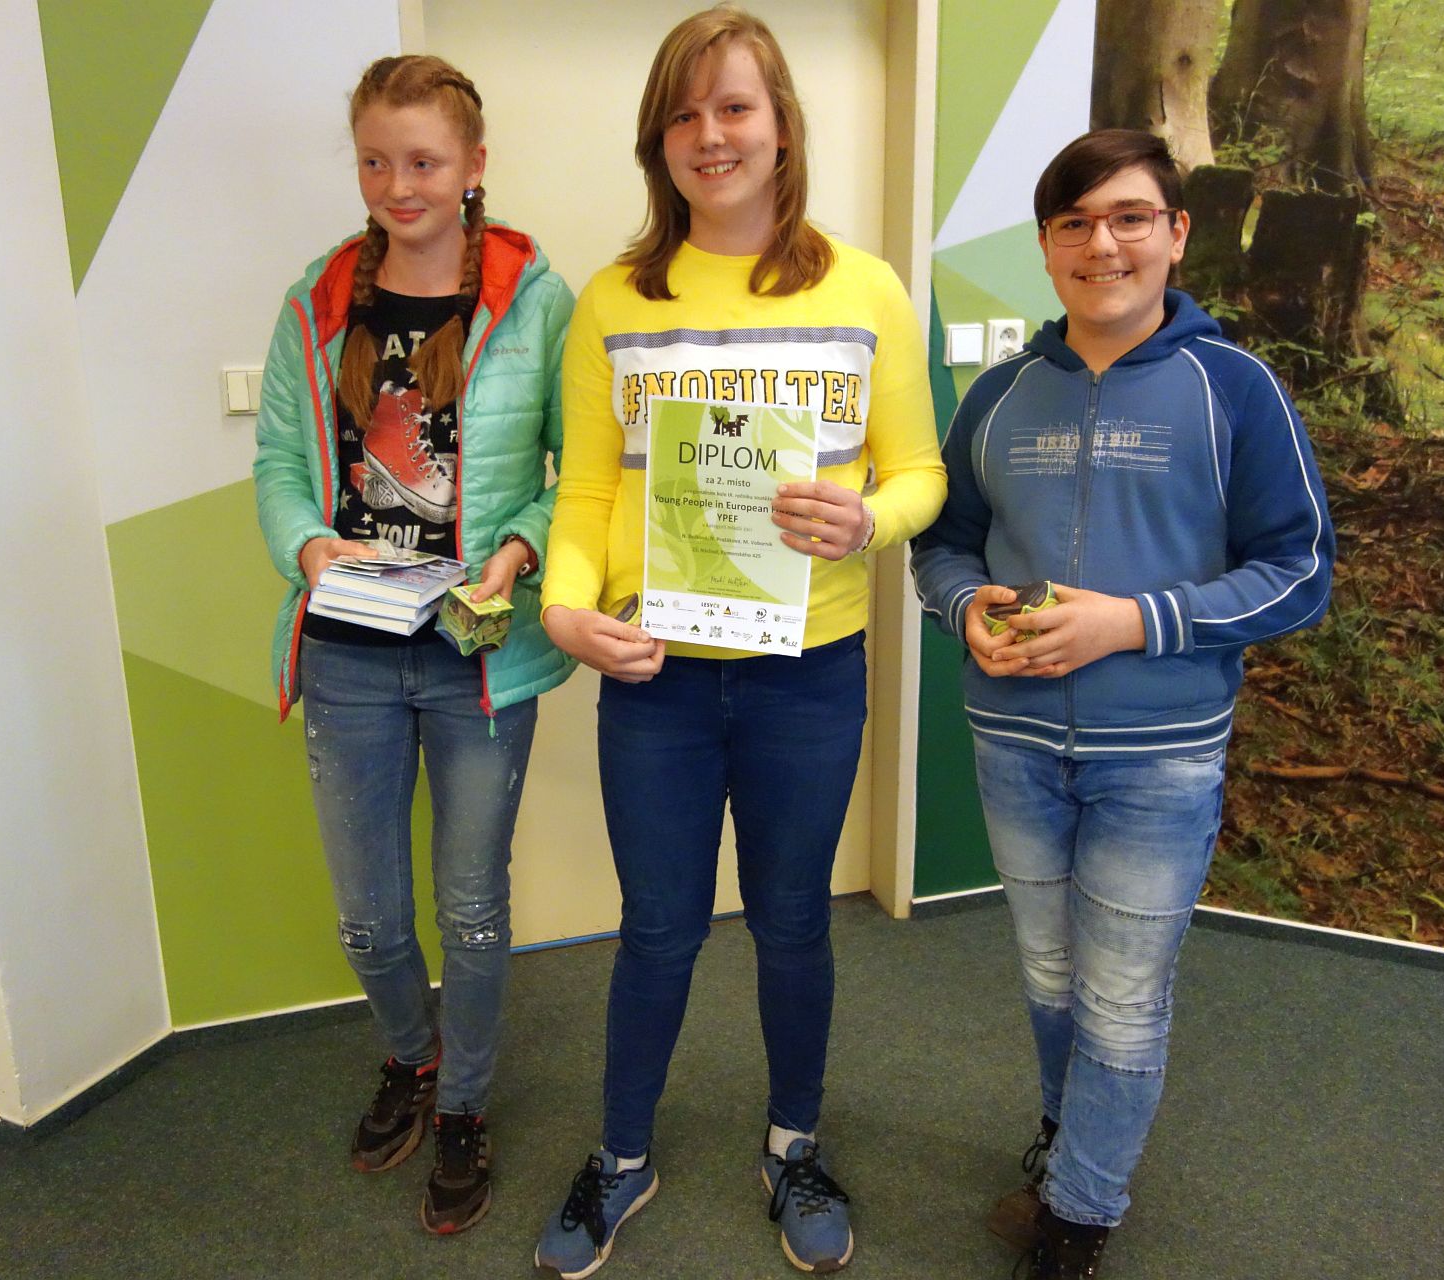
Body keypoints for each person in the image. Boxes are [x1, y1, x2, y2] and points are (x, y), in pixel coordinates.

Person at [530, 7, 946, 1276]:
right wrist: (564, 607)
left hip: (807, 677)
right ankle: (621, 1156)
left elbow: (920, 473)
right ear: (657, 140)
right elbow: (584, 493)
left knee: (792, 922)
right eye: (684, 112)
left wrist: (866, 518)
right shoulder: (615, 299)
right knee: (657, 927)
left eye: (734, 106)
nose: (709, 134)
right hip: (655, 677)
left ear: (781, 127)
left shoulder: (864, 288)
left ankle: (792, 1143)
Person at [910, 129, 1334, 1279]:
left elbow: (1298, 570)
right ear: (1047, 246)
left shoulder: (1233, 388)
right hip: (1013, 745)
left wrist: (1132, 621)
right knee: (1051, 976)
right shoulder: (999, 394)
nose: (1104, 244)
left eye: (1131, 217)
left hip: (1160, 757)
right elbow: (940, 547)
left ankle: (1081, 1213)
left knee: (1121, 992)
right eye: (1076, 223)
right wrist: (966, 604)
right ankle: (1069, 1143)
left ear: (1176, 233)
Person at [250, 53, 574, 1236]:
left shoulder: (537, 302)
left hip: (474, 655)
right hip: (349, 647)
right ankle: (413, 1053)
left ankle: (466, 1105)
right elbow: (279, 463)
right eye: (375, 162)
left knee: (472, 909)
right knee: (371, 918)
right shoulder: (318, 299)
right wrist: (309, 547)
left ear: (474, 164)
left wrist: (519, 551)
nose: (399, 185)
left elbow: (577, 474)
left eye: (425, 161)